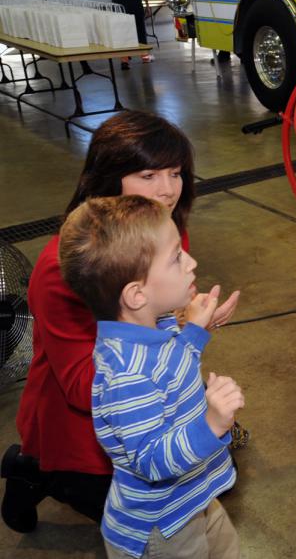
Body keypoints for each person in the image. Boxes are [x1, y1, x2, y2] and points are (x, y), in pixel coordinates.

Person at [1, 111, 239, 533]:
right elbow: (81, 385)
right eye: (148, 175)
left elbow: (157, 311)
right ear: (109, 178)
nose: (167, 190)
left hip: (150, 384)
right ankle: (32, 470)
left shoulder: (161, 228)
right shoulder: (62, 268)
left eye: (175, 173)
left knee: (207, 474)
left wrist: (189, 315)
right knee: (156, 517)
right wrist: (185, 331)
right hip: (90, 414)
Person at [60, 195, 242, 559]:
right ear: (137, 294)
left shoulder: (155, 326)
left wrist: (194, 330)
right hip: (164, 527)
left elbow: (174, 364)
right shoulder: (126, 377)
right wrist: (212, 424)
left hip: (195, 496)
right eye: (176, 257)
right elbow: (152, 460)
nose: (191, 262)